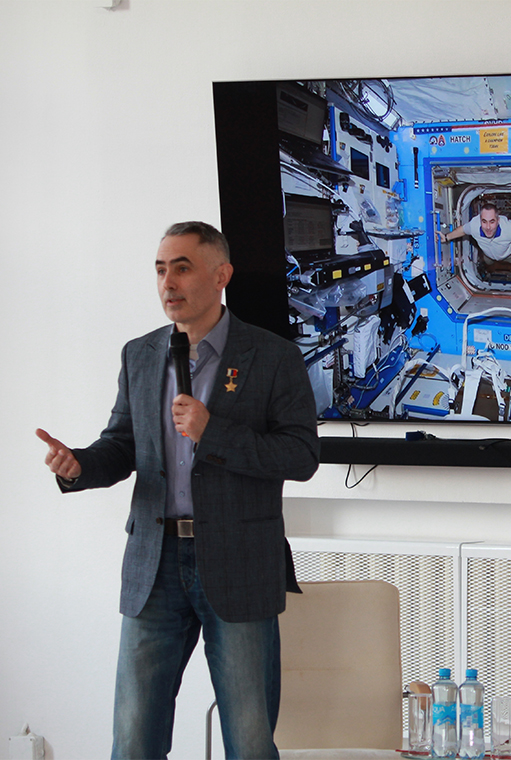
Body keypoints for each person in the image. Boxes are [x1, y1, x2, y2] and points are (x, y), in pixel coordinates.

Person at [36, 221, 320, 759]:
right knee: (132, 739)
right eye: (161, 269)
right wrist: (77, 466)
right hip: (155, 562)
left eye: (182, 268)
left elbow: (301, 456)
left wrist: (214, 432)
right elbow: (122, 445)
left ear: (221, 275)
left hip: (239, 562)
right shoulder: (140, 355)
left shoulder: (273, 356)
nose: (168, 282)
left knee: (249, 741)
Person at [439, 201, 511, 272]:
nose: (488, 227)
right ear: (480, 220)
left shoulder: (509, 229)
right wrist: (446, 237)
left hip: (510, 253)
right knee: (487, 263)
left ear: (498, 220)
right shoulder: (474, 225)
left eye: (492, 221)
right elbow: (462, 230)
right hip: (489, 255)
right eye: (484, 221)